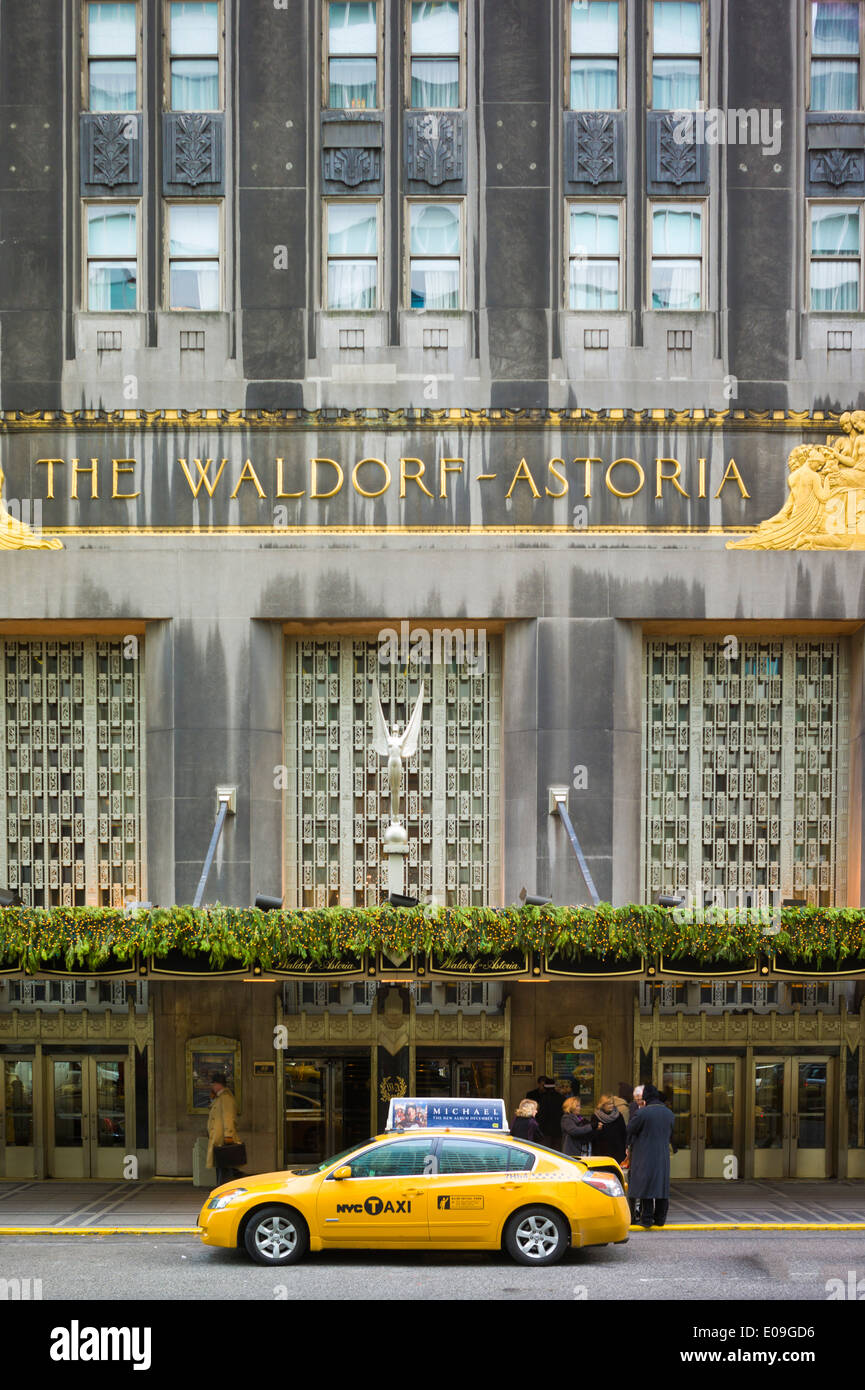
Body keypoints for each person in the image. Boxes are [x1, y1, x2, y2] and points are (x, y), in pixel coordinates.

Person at [625, 1082, 675, 1228]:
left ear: (646, 1097)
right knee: (661, 1186)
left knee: (646, 1186)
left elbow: (630, 1129)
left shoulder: (643, 1113)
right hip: (663, 1155)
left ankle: (646, 1219)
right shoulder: (669, 1113)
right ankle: (660, 1219)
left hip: (644, 1154)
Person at [207, 1071, 243, 1188]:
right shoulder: (220, 1098)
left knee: (224, 1167)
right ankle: (221, 1187)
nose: (212, 1087)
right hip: (219, 1137)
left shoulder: (226, 1098)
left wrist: (228, 1136)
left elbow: (228, 1118)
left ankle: (223, 1188)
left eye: (213, 1084)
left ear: (218, 1084)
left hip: (222, 1138)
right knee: (221, 1166)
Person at [525, 1076, 564, 1149]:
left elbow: (541, 1115)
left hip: (545, 1131)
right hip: (558, 1130)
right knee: (557, 1152)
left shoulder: (543, 1098)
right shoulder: (561, 1098)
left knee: (546, 1151)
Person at [591, 1093, 627, 1163]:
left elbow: (623, 1133)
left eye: (612, 1103)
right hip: (601, 1151)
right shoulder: (596, 1116)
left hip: (617, 1150)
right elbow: (593, 1135)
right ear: (603, 1105)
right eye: (609, 1104)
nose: (612, 1106)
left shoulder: (618, 1116)